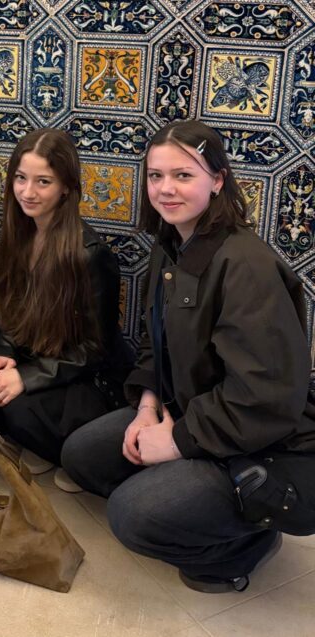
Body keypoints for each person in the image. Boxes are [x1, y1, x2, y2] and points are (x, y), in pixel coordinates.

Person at [61, 120, 315, 592]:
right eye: (156, 176)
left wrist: (178, 440)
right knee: (82, 456)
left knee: (131, 515)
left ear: (217, 180)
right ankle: (188, 496)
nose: (166, 189)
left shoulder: (246, 266)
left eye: (183, 175)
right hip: (190, 410)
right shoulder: (172, 248)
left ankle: (249, 545)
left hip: (263, 444)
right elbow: (154, 343)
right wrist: (147, 408)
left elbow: (264, 395)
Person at [0, 128, 133, 477]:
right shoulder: (21, 234)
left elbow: (94, 349)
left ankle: (74, 455)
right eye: (21, 178)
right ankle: (43, 440)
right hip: (40, 357)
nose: (28, 192)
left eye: (43, 182)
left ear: (66, 188)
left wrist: (27, 378)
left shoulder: (90, 255)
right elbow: (8, 313)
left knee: (16, 406)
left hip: (86, 377)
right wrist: (0, 355)